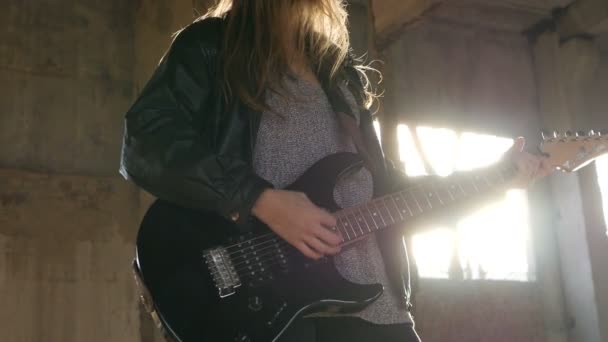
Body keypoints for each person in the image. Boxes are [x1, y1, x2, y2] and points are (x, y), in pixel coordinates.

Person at [120, 1, 552, 341]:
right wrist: (258, 199)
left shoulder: (340, 76)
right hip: (279, 315)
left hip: (381, 314)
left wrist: (496, 181)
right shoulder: (210, 47)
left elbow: (389, 199)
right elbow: (146, 142)